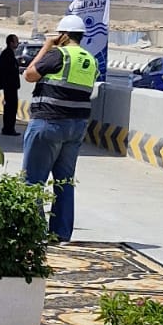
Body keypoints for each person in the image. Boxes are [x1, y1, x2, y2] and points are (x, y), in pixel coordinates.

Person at [21, 14, 99, 243]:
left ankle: (34, 232)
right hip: (76, 127)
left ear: (63, 35)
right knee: (65, 182)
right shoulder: (90, 60)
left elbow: (29, 75)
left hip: (48, 123)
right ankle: (60, 232)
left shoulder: (59, 54)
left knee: (32, 181)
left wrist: (47, 46)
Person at [0, 33, 21, 135]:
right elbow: (8, 70)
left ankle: (9, 128)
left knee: (11, 107)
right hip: (9, 85)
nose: (18, 43)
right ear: (11, 43)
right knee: (10, 108)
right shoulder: (7, 54)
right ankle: (8, 128)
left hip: (11, 85)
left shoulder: (10, 54)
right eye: (16, 41)